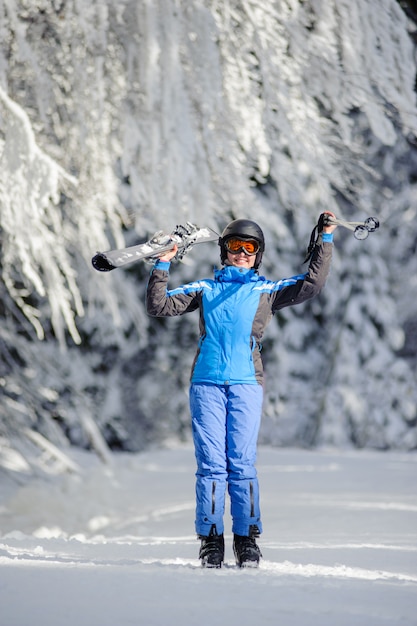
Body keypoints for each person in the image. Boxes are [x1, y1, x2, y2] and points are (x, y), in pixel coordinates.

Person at [146, 214, 337, 568]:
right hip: (206, 383)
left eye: (250, 248)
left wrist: (324, 238)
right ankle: (211, 540)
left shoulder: (266, 291)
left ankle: (246, 540)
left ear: (258, 255)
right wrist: (162, 263)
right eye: (236, 246)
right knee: (211, 465)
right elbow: (158, 306)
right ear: (224, 251)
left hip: (247, 384)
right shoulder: (205, 289)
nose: (242, 253)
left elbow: (312, 284)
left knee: (242, 464)